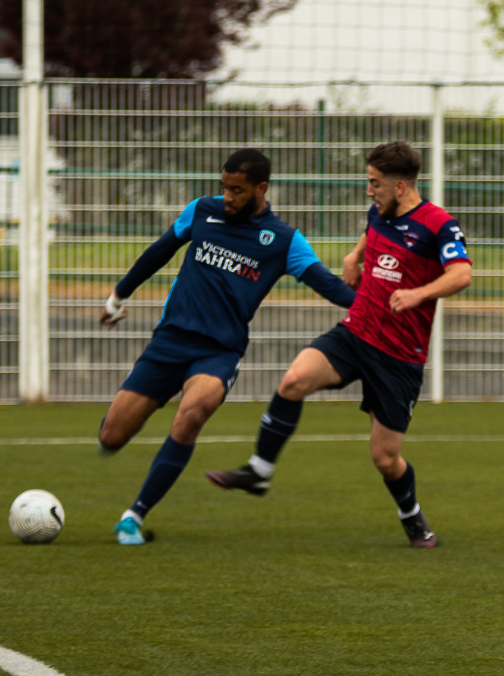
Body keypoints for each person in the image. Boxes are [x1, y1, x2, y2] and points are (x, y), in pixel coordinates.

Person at [205, 140, 473, 548]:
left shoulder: (438, 224)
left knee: (385, 458)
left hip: (399, 356)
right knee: (294, 379)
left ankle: (412, 517)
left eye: (374, 183)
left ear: (400, 186)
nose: (369, 190)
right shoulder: (379, 211)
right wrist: (354, 256)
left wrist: (418, 295)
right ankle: (259, 470)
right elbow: (373, 232)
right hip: (356, 332)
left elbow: (461, 274)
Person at [96, 148, 355, 545]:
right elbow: (161, 250)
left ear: (261, 188)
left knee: (192, 413)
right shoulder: (201, 211)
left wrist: (387, 302)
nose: (228, 197)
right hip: (169, 341)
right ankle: (140, 418)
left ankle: (134, 516)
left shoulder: (285, 241)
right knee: (111, 437)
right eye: (224, 188)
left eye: (237, 190)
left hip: (219, 352)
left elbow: (332, 287)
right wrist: (119, 295)